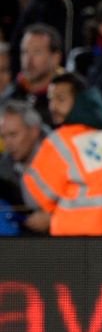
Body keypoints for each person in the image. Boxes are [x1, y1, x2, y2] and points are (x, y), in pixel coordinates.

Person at [23, 72, 102, 236]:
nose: (53, 107)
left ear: (81, 100)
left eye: (60, 99)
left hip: (80, 249)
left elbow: (35, 198)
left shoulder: (61, 141)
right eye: (50, 99)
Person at [1, 23, 64, 126]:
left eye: (37, 52)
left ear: (55, 58)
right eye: (24, 52)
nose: (28, 61)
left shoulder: (70, 99)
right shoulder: (10, 96)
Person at [0, 100, 47, 234]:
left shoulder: (61, 158)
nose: (8, 143)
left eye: (13, 135)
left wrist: (52, 218)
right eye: (3, 137)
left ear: (34, 131)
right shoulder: (5, 166)